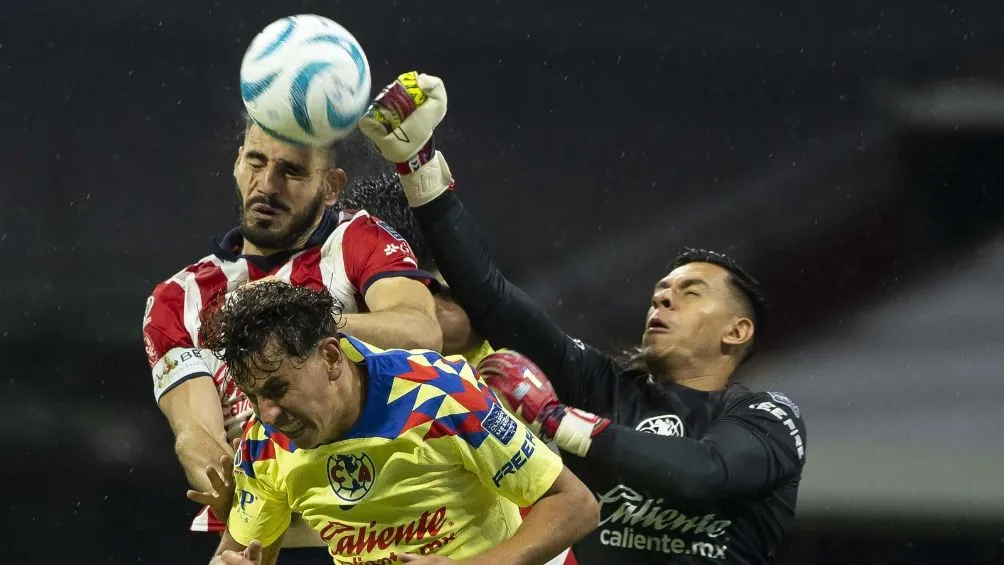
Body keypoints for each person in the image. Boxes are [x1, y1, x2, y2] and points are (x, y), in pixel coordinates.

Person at [358, 71, 808, 564]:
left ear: (736, 331)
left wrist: (558, 421)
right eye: (660, 292)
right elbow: (494, 297)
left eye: (689, 292)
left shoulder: (767, 418)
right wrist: (418, 165)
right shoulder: (602, 386)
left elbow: (705, 472)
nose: (662, 301)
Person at [142, 119, 443, 560]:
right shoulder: (178, 298)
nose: (266, 184)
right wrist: (224, 484)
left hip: (390, 522)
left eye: (292, 171)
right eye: (255, 161)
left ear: (331, 186)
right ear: (236, 163)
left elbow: (422, 332)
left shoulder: (356, 240)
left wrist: (304, 322)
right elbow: (195, 431)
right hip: (269, 539)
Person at [197, 281, 599, 565]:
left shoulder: (441, 394)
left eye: (279, 388)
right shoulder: (264, 442)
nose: (267, 414)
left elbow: (575, 504)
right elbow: (243, 552)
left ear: (332, 359)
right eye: (254, 397)